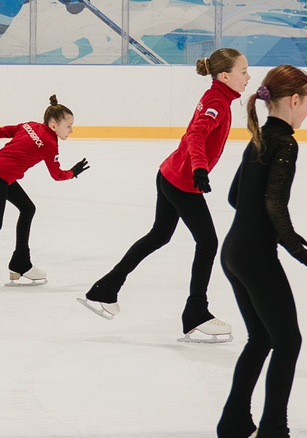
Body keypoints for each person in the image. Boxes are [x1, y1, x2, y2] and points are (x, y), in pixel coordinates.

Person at [80, 48, 245, 342]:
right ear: (224, 76)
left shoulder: (218, 97)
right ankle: (196, 314)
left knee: (159, 235)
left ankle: (104, 289)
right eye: (243, 72)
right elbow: (196, 134)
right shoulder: (217, 101)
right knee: (208, 242)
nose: (247, 76)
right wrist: (199, 169)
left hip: (169, 174)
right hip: (182, 181)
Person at [218, 65, 307, 438]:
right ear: (293, 101)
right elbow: (275, 205)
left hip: (234, 252)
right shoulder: (285, 144)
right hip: (256, 256)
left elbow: (234, 196)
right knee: (288, 340)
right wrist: (296, 247)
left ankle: (235, 427)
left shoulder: (259, 138)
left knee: (262, 338)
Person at [0, 94, 87, 295]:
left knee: (28, 208)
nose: (71, 130)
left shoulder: (30, 125)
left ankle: (20, 262)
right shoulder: (50, 144)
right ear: (54, 125)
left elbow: (0, 131)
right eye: (69, 126)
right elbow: (57, 175)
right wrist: (73, 172)